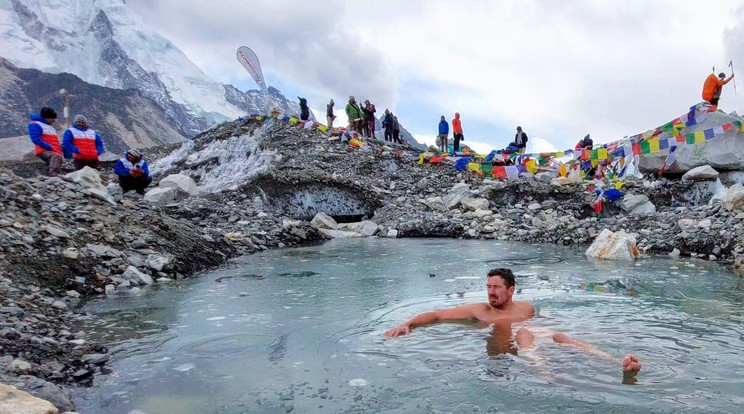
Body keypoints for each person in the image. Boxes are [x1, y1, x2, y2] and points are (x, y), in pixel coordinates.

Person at [384, 268, 641, 381]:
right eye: (488, 287)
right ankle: (542, 370)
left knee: (560, 336)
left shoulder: (526, 307)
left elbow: (546, 321)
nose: (491, 292)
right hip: (509, 348)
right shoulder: (480, 311)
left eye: (496, 287)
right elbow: (438, 315)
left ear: (511, 290)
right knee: (524, 334)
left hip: (533, 340)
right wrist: (408, 323)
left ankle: (615, 361)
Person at [28, 107, 63, 177]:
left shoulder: (50, 127)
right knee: (55, 157)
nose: (53, 121)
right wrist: (48, 146)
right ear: (46, 118)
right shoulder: (36, 124)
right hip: (43, 150)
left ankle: (52, 173)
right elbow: (35, 139)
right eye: (52, 118)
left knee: (57, 158)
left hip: (54, 150)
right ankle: (53, 173)